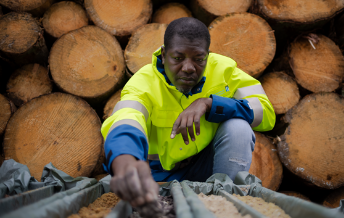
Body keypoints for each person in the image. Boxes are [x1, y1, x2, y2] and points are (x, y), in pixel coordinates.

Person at [101, 17, 275, 207]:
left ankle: (224, 202)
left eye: (199, 59)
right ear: (164, 53)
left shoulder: (225, 71)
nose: (188, 68)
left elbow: (265, 112)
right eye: (177, 58)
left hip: (203, 169)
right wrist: (125, 159)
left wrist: (210, 104)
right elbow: (127, 117)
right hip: (154, 176)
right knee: (106, 195)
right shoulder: (143, 82)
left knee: (238, 127)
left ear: (207, 55)